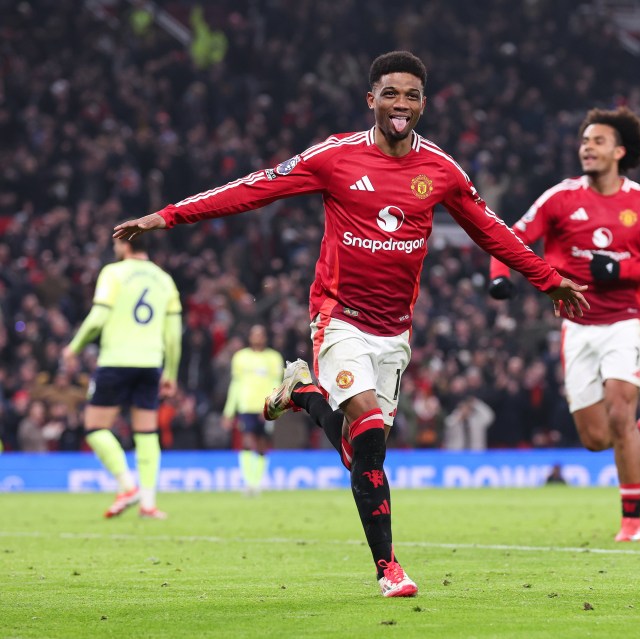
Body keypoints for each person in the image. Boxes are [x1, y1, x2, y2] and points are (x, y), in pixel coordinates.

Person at [113, 51, 588, 597]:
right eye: (390, 93)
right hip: (339, 317)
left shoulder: (441, 170)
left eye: (411, 95)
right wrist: (169, 215)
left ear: (424, 103)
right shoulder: (335, 157)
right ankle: (389, 569)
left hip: (395, 330)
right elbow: (254, 187)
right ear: (371, 100)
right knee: (365, 434)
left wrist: (550, 279)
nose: (401, 105)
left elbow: (492, 231)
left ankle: (304, 395)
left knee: (363, 451)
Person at [488, 106, 640, 542]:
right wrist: (500, 277)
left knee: (619, 409)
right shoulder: (560, 198)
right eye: (584, 141)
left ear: (619, 151)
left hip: (625, 322)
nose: (587, 148)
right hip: (576, 326)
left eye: (597, 141)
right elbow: (509, 237)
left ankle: (632, 520)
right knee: (597, 438)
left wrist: (622, 272)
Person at [61, 235, 182, 519]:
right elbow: (174, 336)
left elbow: (98, 317)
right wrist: (171, 372)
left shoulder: (113, 273)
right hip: (150, 362)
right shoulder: (164, 279)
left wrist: (74, 347)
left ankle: (127, 486)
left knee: (94, 427)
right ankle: (148, 504)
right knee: (146, 432)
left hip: (116, 361)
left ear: (125, 245)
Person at [222, 325, 284, 495]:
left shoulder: (273, 357)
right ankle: (249, 482)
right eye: (254, 334)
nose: (257, 337)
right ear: (249, 337)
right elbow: (235, 385)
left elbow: (277, 386)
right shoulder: (240, 357)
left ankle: (258, 481)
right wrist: (229, 411)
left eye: (261, 334)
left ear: (265, 337)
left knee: (263, 443)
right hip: (246, 406)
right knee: (247, 441)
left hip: (265, 408)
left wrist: (271, 407)